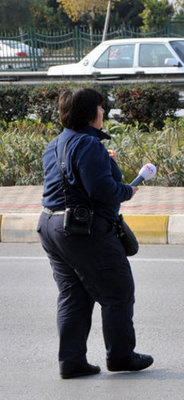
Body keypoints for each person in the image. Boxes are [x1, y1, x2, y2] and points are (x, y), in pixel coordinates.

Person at [37, 88, 153, 379]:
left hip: (51, 226)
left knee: (73, 295)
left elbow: (72, 180)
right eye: (101, 108)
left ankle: (72, 361)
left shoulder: (55, 144)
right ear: (92, 113)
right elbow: (103, 192)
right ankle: (121, 356)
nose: (104, 112)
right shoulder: (88, 146)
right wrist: (128, 189)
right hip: (81, 229)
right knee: (117, 291)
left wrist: (106, 162)